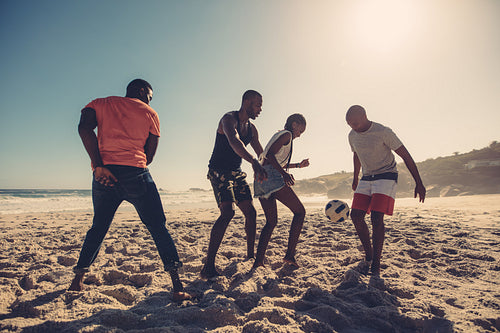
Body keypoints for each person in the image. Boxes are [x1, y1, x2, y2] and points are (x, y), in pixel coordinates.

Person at [68, 79, 191, 301]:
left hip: (104, 176)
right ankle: (178, 287)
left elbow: (83, 127)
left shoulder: (101, 103)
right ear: (143, 91)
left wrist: (99, 165)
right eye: (150, 96)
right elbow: (149, 156)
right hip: (136, 175)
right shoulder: (151, 114)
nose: (150, 101)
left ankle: (77, 282)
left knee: (98, 228)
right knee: (158, 228)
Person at [346, 105, 426, 276]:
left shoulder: (383, 132)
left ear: (364, 116)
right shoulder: (352, 135)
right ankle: (369, 255)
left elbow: (405, 155)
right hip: (366, 177)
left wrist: (418, 182)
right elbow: (356, 154)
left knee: (376, 217)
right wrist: (355, 177)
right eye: (350, 124)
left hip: (386, 175)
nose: (353, 127)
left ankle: (376, 262)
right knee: (355, 216)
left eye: (355, 123)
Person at [200, 90, 268, 279]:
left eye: (261, 105)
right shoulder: (228, 119)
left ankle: (250, 256)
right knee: (228, 212)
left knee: (251, 213)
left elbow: (262, 153)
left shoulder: (253, 129)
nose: (260, 109)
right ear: (246, 102)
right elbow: (234, 142)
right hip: (218, 171)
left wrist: (276, 168)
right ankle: (208, 266)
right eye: (257, 104)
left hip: (236, 173)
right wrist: (254, 163)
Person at [253, 114, 309, 269]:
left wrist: (298, 166)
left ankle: (258, 261)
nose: (299, 135)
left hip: (260, 178)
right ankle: (290, 255)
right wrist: (283, 174)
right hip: (271, 176)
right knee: (300, 212)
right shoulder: (286, 134)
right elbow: (270, 156)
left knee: (271, 222)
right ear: (295, 124)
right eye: (300, 131)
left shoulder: (279, 135)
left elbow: (272, 159)